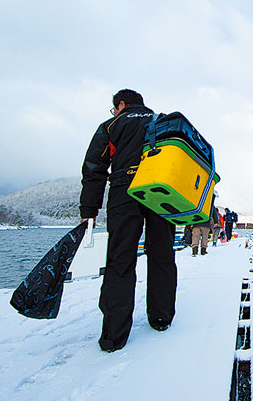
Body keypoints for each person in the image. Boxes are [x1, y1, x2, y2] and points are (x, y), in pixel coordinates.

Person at [79, 89, 177, 353]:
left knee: (120, 259)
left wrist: (89, 208)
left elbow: (94, 169)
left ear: (121, 104)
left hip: (124, 189)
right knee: (162, 255)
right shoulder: (162, 120)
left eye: (115, 108)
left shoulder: (111, 126)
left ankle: (114, 336)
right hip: (160, 190)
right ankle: (161, 318)